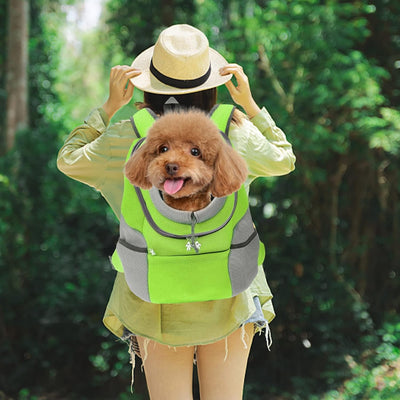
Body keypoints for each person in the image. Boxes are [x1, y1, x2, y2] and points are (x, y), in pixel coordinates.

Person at [57, 24, 295, 400]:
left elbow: (69, 160)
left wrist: (107, 107)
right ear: (211, 82)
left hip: (153, 295)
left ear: (149, 84)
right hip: (231, 292)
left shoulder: (128, 136)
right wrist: (250, 106)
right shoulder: (234, 130)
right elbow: (284, 159)